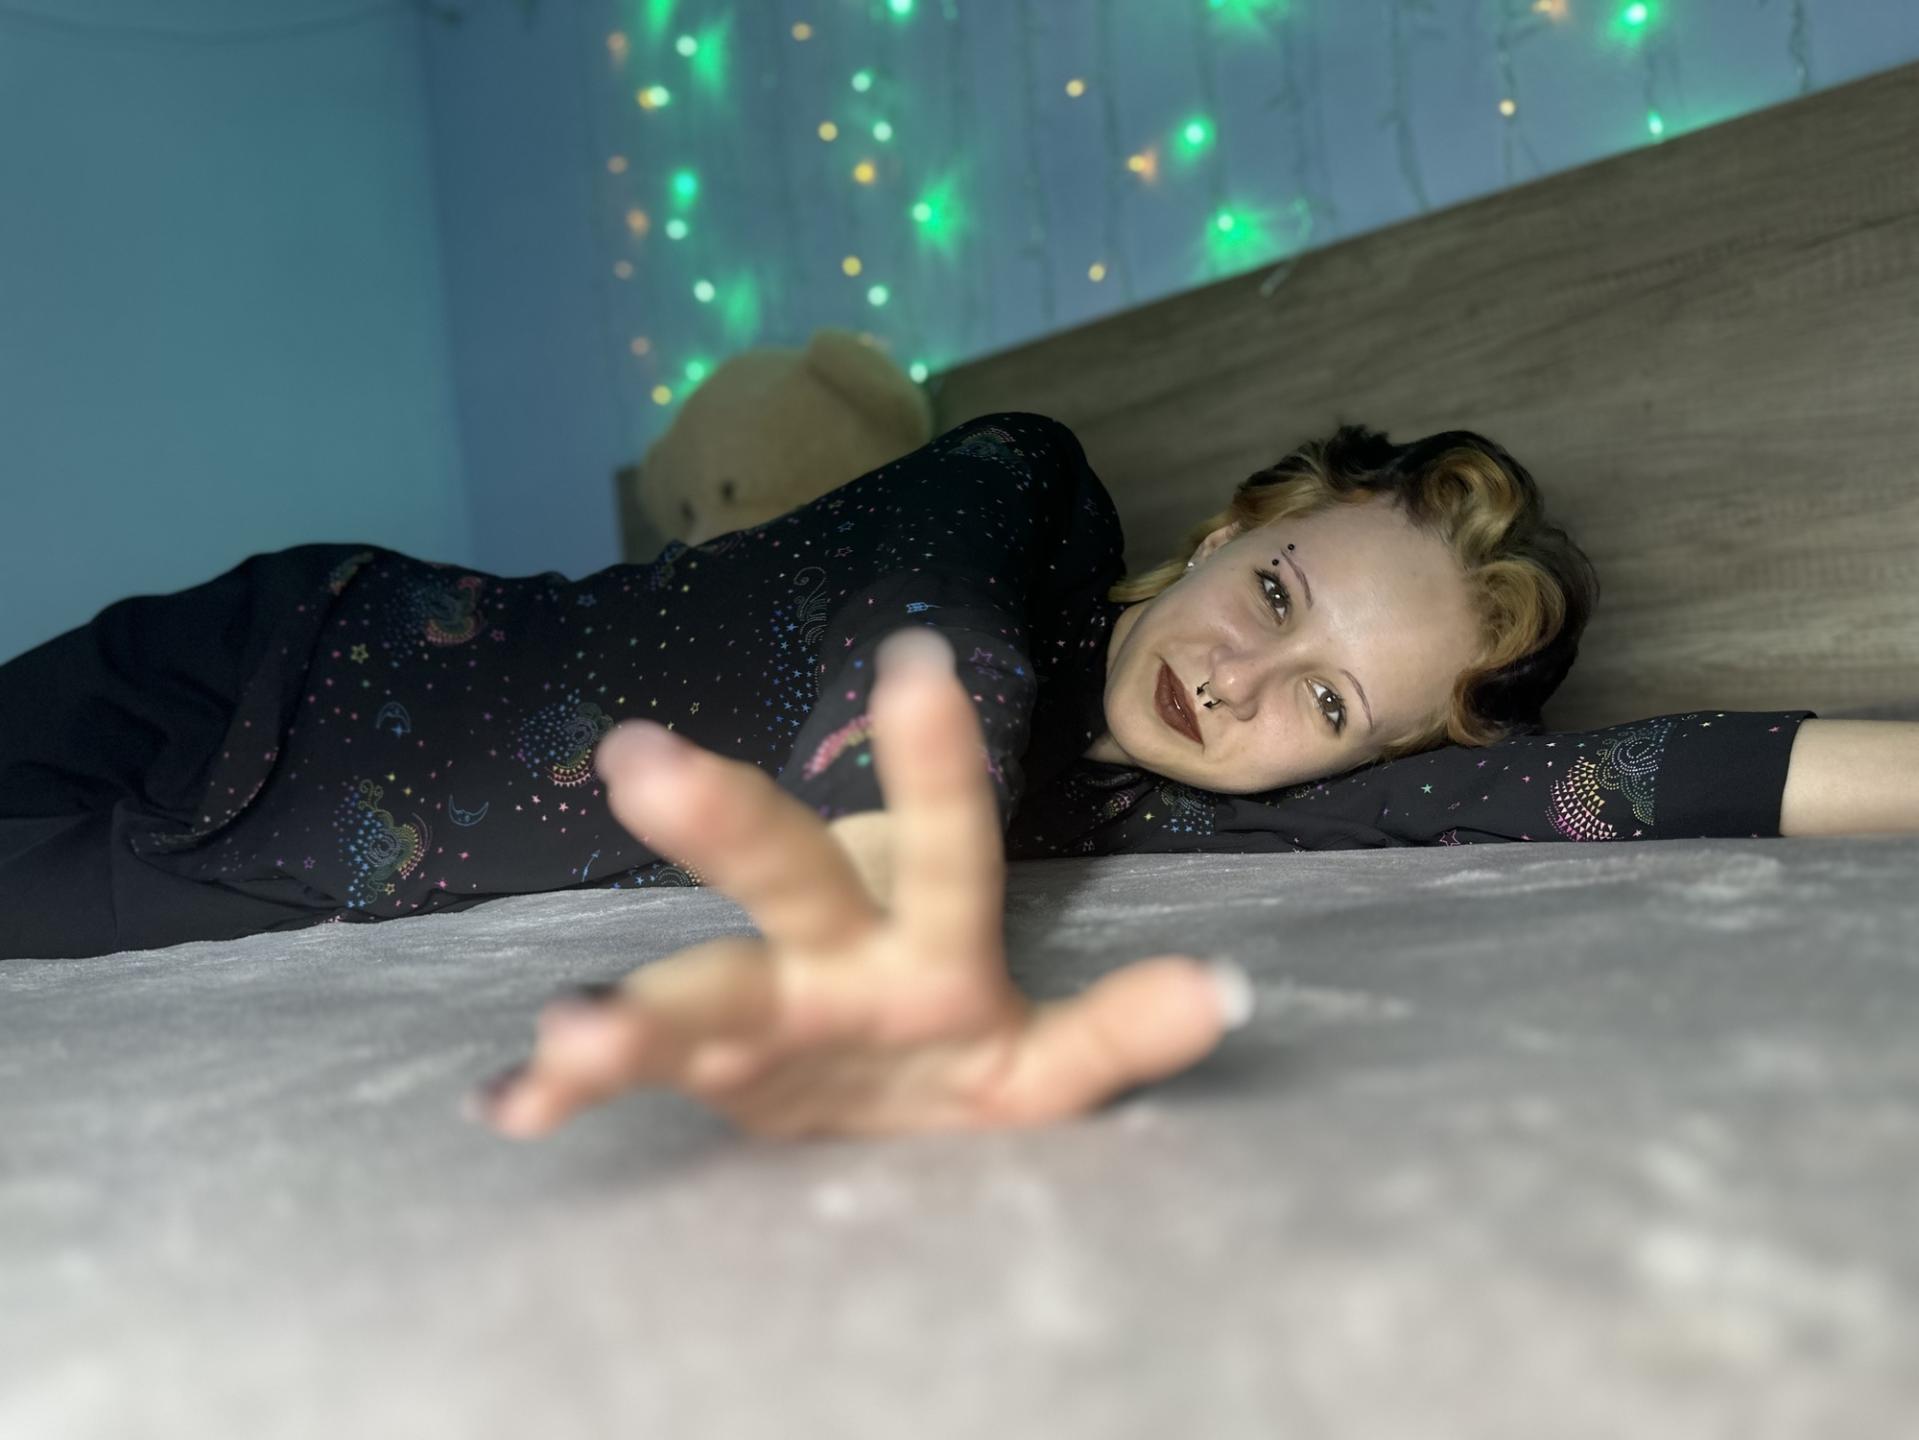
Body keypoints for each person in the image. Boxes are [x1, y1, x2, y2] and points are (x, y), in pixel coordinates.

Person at [9, 412, 1898, 1137]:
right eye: (1274, 594)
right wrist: (902, 908)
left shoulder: (1203, 807)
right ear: (1233, 528)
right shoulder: (1023, 490)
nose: (1240, 680)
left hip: (259, 874)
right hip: (276, 669)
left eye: (1329, 704)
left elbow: (1623, 785)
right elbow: (937, 647)